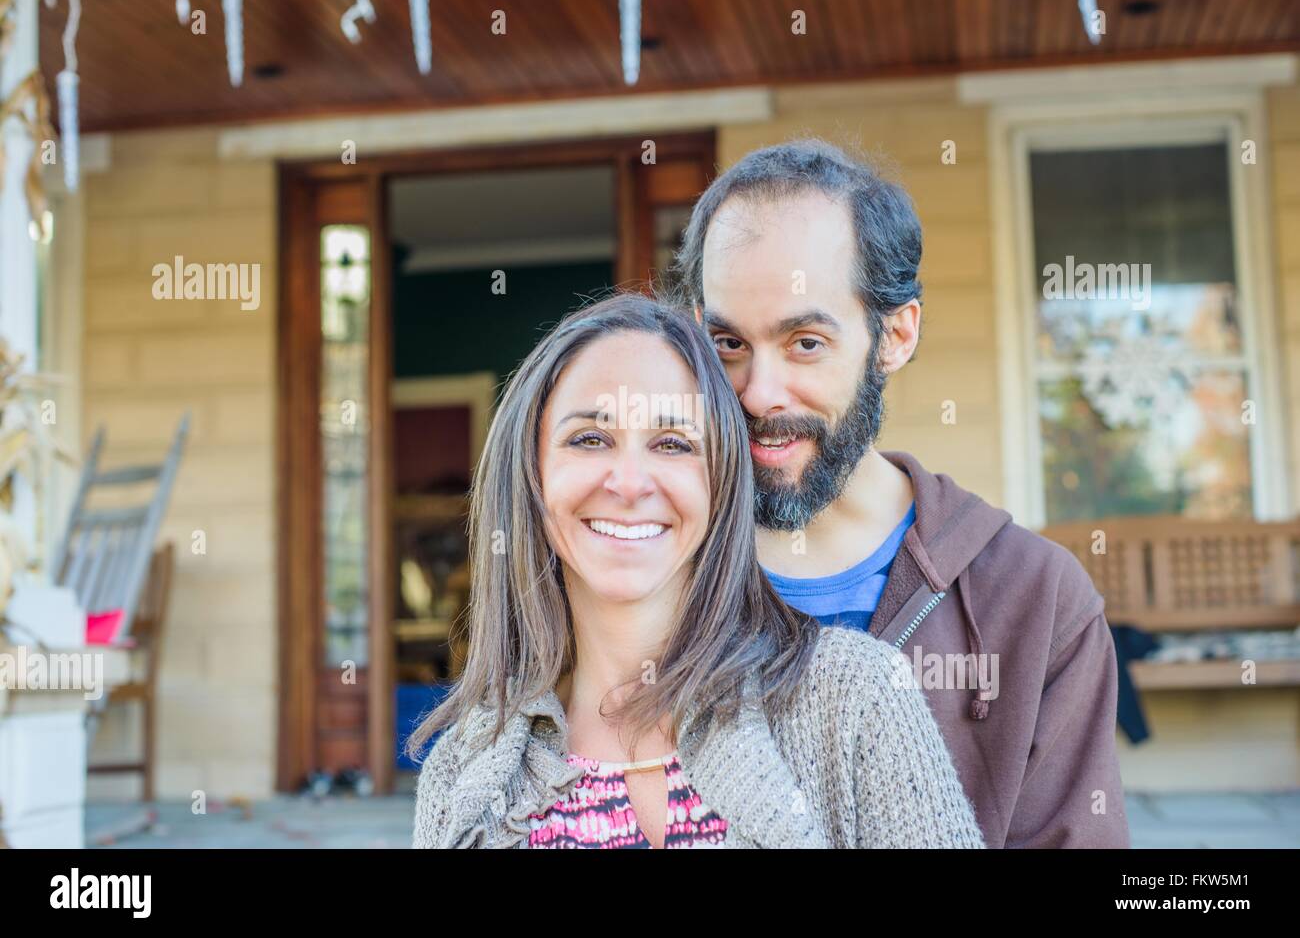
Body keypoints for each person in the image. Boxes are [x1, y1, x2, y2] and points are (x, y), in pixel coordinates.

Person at [672, 138, 1130, 848]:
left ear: (895, 333)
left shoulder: (1034, 600)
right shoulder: (651, 571)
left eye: (805, 342)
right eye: (729, 343)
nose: (759, 393)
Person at [409, 292, 984, 849]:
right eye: (590, 438)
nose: (630, 483)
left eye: (673, 443)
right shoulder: (463, 771)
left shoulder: (857, 697)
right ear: (531, 478)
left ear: (721, 479)